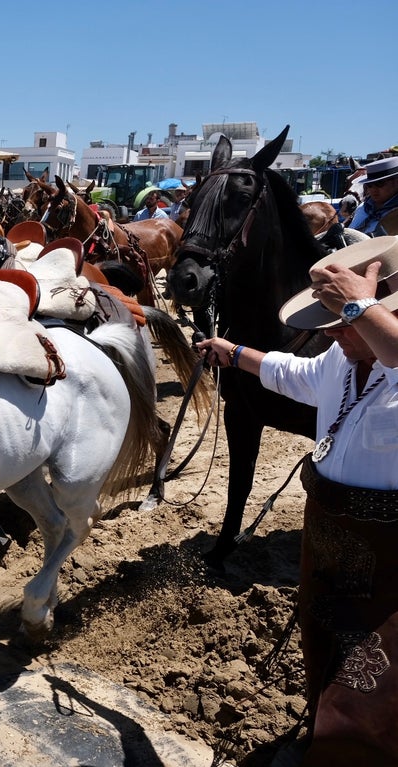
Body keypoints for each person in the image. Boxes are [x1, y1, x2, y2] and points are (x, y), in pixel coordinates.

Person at [196, 236, 398, 764]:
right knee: (323, 645)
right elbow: (296, 373)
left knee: (375, 681)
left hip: (392, 559)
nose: (332, 333)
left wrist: (361, 306)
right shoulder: (342, 355)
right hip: (329, 538)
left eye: (342, 320)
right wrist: (235, 354)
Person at [349, 156, 398, 236]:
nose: (373, 190)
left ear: (397, 182)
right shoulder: (363, 207)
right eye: (369, 185)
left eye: (380, 184)